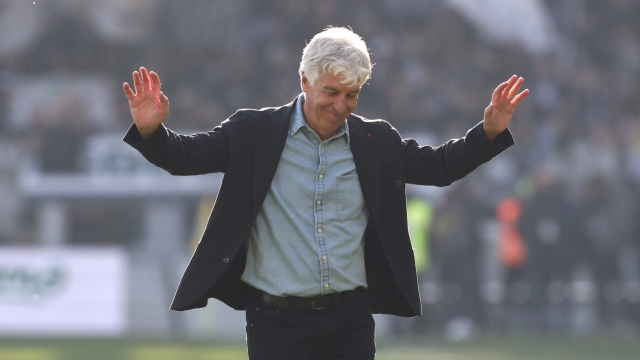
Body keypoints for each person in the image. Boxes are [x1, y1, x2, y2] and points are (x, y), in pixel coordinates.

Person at [123, 27, 528, 360]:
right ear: (304, 81)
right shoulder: (253, 131)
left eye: (351, 95)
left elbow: (440, 168)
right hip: (274, 322)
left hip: (348, 320)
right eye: (331, 92)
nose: (341, 105)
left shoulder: (376, 140)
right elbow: (183, 157)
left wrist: (487, 133)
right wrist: (150, 131)